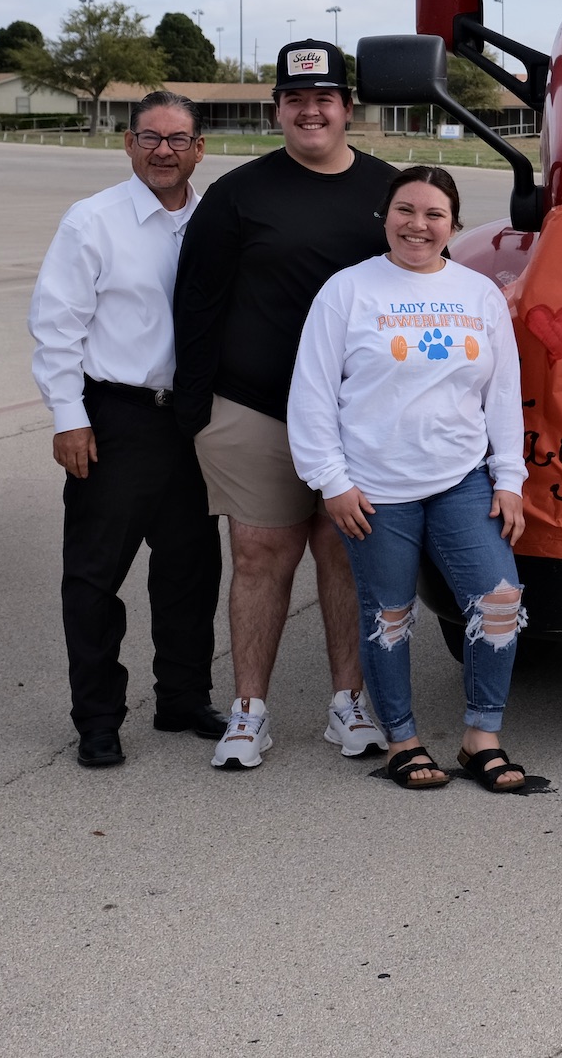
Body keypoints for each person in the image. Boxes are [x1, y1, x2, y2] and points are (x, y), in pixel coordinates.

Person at [172, 40, 398, 770]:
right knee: (261, 553)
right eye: (295, 99)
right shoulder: (238, 195)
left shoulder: (390, 191)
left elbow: (425, 293)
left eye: (324, 98)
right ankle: (248, 711)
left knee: (343, 552)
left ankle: (348, 704)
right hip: (255, 407)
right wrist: (196, 409)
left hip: (358, 416)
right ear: (277, 108)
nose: (310, 111)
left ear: (347, 108)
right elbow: (197, 305)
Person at [288, 166, 532, 791]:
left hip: (462, 479)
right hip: (374, 489)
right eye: (405, 210)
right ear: (386, 214)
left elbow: (504, 392)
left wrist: (510, 478)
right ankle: (403, 740)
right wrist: (331, 482)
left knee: (499, 599)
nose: (417, 225)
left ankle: (482, 737)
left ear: (453, 225)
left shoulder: (477, 293)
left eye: (433, 215)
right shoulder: (348, 291)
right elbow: (312, 394)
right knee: (389, 614)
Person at [29, 90, 223, 768]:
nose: (162, 151)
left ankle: (183, 698)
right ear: (127, 143)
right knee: (93, 576)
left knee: (191, 570)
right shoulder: (94, 222)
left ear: (200, 148)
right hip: (115, 417)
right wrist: (68, 416)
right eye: (149, 137)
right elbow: (56, 326)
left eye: (176, 139)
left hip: (193, 425)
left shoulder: (213, 221)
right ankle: (99, 719)